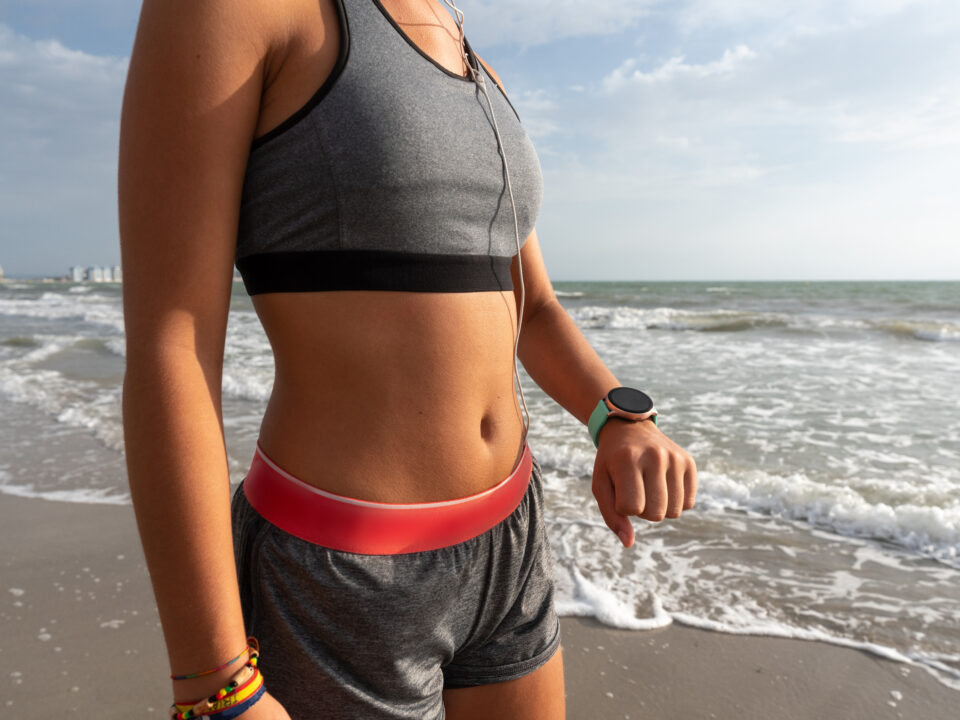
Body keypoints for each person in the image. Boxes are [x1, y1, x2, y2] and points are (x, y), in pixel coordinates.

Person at [118, 0, 698, 718]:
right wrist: (214, 684)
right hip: (341, 574)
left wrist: (615, 415)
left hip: (509, 536)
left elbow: (532, 307)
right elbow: (172, 342)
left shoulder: (470, 57)